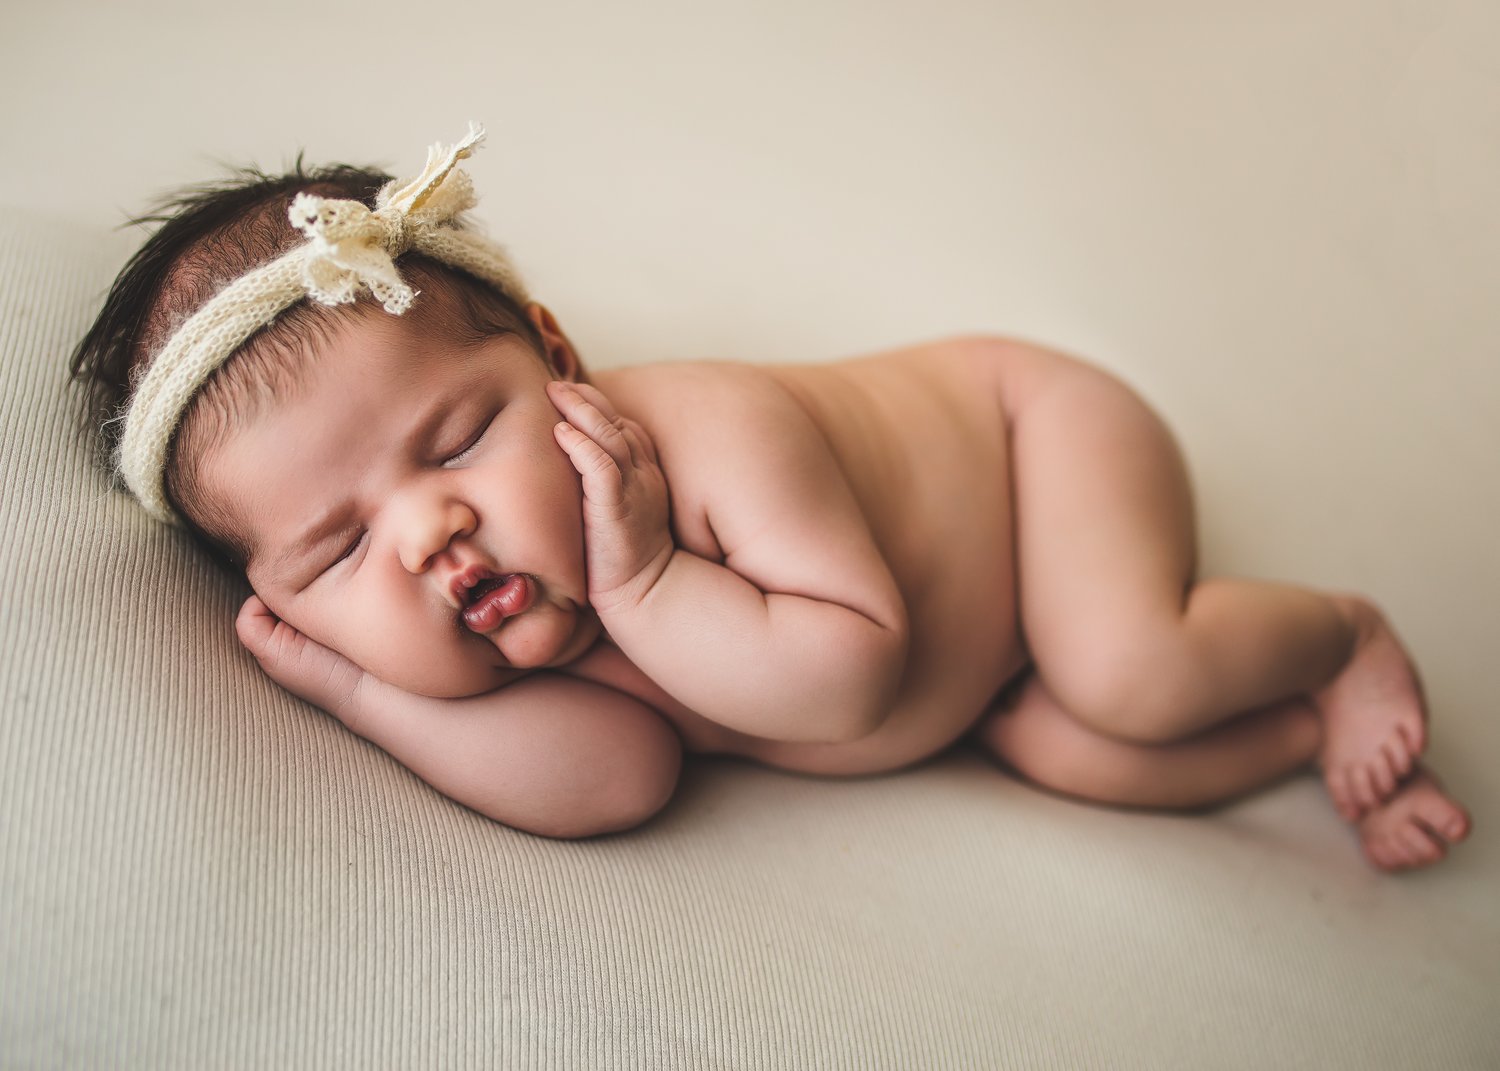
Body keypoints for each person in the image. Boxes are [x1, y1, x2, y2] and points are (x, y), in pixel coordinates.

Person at [71, 126, 1470, 866]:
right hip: (982, 689)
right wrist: (365, 696)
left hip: (1033, 443)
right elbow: (615, 782)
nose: (430, 531)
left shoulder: (704, 434)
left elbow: (851, 681)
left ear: (559, 362)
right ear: (277, 599)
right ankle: (1301, 732)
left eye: (452, 444)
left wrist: (652, 581)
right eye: (337, 548)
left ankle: (1339, 633)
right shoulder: (488, 642)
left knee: (1128, 670)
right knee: (1074, 750)